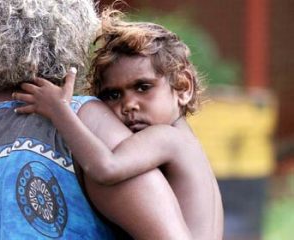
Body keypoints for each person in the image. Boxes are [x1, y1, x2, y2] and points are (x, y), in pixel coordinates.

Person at [14, 8, 224, 239]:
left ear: (183, 87)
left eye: (143, 87)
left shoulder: (167, 137)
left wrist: (59, 111)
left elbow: (106, 168)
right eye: (113, 95)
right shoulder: (190, 146)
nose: (128, 105)